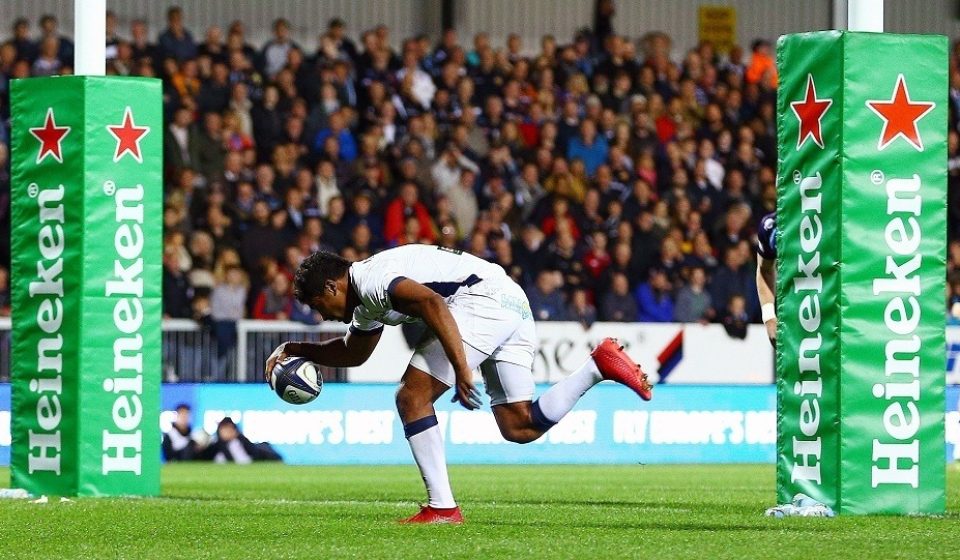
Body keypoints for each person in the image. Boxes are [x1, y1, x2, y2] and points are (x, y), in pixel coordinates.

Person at [266, 245, 652, 524]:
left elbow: (432, 303)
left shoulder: (373, 279)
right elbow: (355, 353)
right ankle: (597, 367)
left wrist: (461, 369)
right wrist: (295, 348)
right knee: (519, 425)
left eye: (319, 306)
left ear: (332, 287)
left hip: (479, 300)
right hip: (509, 299)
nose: (323, 316)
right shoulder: (365, 299)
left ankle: (442, 508)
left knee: (412, 397)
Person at [755, 212, 777, 346]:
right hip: (798, 317)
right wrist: (769, 317)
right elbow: (765, 270)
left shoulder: (832, 216)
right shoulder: (770, 226)